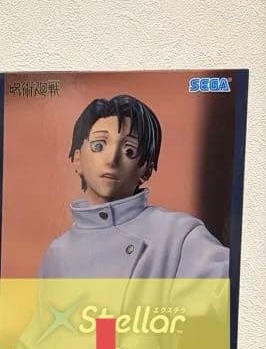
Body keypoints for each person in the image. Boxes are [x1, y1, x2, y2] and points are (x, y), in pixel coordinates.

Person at [37, 94, 228, 279]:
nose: (112, 159)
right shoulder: (57, 255)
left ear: (147, 170)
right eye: (98, 146)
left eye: (129, 151)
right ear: (77, 159)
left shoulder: (180, 236)